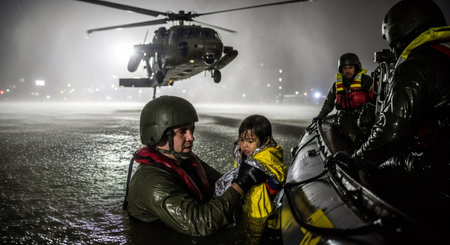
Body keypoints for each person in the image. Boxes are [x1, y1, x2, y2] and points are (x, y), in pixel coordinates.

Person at [331, 0, 450, 241]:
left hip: (440, 172)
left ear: (399, 32)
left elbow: (391, 133)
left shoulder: (415, 66)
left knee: (378, 170)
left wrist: (357, 160)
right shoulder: (442, 56)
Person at [124, 96, 267, 236]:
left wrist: (244, 166)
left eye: (191, 130)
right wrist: (241, 183)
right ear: (159, 135)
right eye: (182, 132)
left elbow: (219, 183)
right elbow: (201, 224)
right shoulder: (152, 183)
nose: (191, 137)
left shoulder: (185, 160)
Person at [214, 115, 286, 245]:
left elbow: (279, 175)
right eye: (241, 140)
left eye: (250, 141)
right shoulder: (247, 156)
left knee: (253, 240)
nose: (244, 145)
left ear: (266, 140)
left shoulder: (267, 157)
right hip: (247, 207)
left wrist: (268, 182)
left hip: (260, 213)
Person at [314, 53, 375, 146]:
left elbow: (375, 99)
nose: (348, 71)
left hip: (364, 113)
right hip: (345, 115)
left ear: (356, 68)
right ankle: (355, 147)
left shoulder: (366, 81)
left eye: (350, 67)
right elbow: (329, 102)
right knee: (350, 133)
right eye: (345, 68)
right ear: (341, 69)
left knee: (366, 125)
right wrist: (320, 116)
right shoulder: (337, 85)